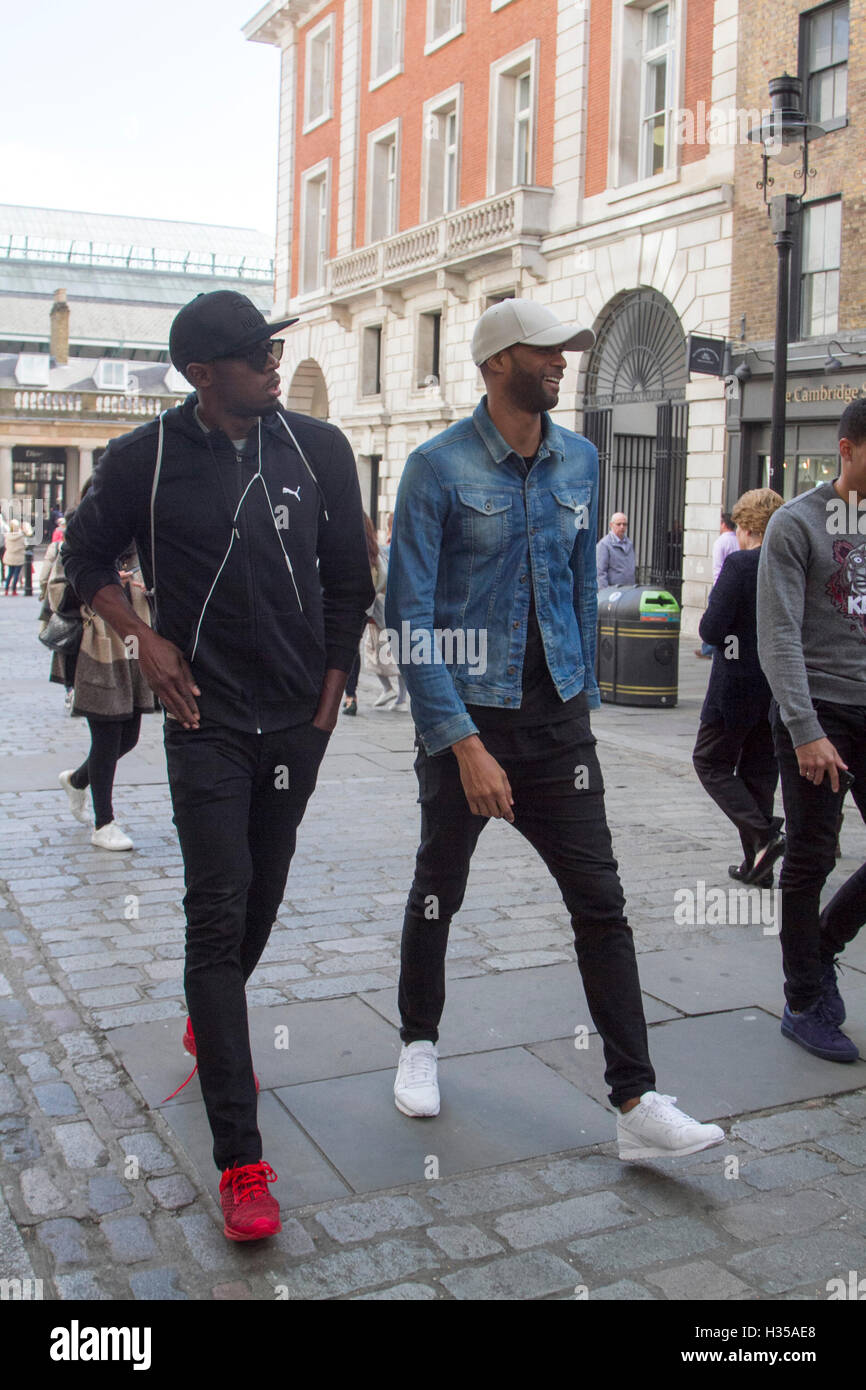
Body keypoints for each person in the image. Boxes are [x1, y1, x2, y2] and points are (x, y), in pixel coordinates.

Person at [63, 289, 374, 1240]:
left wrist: (331, 693)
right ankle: (241, 1160)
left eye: (273, 349)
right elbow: (84, 560)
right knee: (218, 908)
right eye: (254, 354)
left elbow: (351, 582)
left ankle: (217, 1014)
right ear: (203, 374)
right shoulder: (142, 459)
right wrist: (144, 641)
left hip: (296, 725)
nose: (273, 364)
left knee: (264, 896)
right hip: (204, 723)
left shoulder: (317, 449)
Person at [385, 296, 725, 1160]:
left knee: (601, 903)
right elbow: (411, 622)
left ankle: (637, 1101)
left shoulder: (581, 461)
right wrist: (461, 743)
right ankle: (418, 1043)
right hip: (469, 717)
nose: (563, 363)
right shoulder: (437, 468)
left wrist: (580, 702)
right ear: (499, 362)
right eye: (547, 352)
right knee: (439, 886)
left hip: (557, 724)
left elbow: (577, 588)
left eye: (566, 352)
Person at [758, 399, 866, 1065]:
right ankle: (803, 1000)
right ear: (847, 448)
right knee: (811, 855)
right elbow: (777, 638)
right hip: (816, 711)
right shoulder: (796, 524)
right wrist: (804, 729)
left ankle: (824, 943)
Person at [692, 489, 784, 886]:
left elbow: (710, 629)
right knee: (759, 773)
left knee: (710, 762)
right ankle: (759, 866)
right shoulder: (790, 566)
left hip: (734, 686)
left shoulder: (741, 565)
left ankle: (763, 836)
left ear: (745, 527)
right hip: (777, 687)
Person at [52, 527, 158, 850]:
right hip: (97, 651)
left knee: (128, 737)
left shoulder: (140, 542)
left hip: (133, 653)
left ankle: (77, 780)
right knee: (107, 736)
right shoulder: (81, 541)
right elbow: (57, 595)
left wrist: (148, 590)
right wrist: (104, 585)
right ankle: (103, 823)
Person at [696, 512, 738, 659]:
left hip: (721, 583)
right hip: (735, 583)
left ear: (723, 524)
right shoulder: (738, 540)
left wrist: (716, 585)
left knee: (714, 614)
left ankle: (708, 649)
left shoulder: (721, 542)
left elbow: (717, 567)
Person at [596, 512, 635, 589]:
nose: (622, 527)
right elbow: (600, 572)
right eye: (618, 524)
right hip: (613, 592)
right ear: (611, 525)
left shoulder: (629, 544)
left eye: (624, 524)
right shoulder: (604, 544)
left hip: (628, 590)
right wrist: (605, 592)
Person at [3, 519, 31, 595]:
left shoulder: (7, 536)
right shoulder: (21, 536)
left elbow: (6, 545)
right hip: (19, 557)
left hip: (10, 557)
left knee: (9, 574)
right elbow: (25, 545)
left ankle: (6, 590)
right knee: (16, 574)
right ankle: (14, 590)